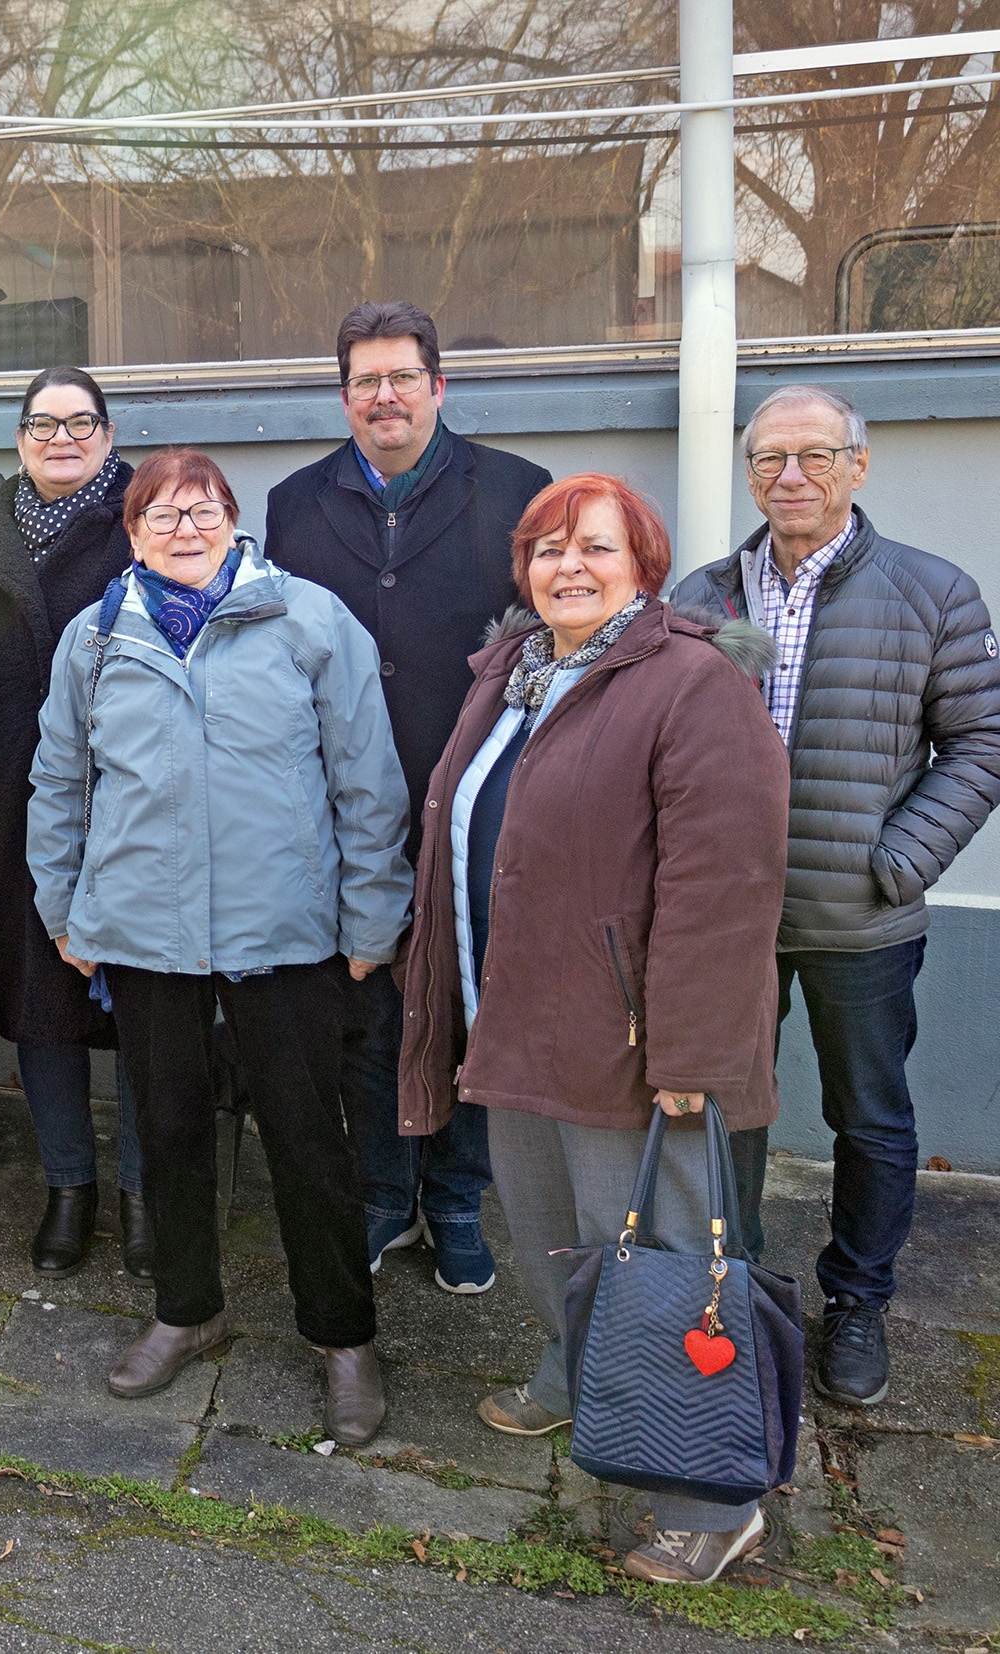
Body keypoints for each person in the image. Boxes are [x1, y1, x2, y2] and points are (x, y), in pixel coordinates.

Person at [400, 473, 789, 1584]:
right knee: (549, 1237)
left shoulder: (690, 683)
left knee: (663, 1264)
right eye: (546, 550)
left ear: (644, 565)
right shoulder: (514, 672)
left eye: (596, 548)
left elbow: (725, 884)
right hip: (516, 1022)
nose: (567, 567)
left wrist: (690, 1053)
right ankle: (579, 1374)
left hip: (631, 1048)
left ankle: (710, 1498)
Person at [29, 447, 409, 1445]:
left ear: (234, 521)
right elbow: (59, 780)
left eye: (201, 510)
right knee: (166, 1129)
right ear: (132, 533)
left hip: (280, 930)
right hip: (144, 930)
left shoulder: (307, 620)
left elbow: (367, 781)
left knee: (306, 1138)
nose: (184, 530)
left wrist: (372, 918)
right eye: (160, 515)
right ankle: (186, 1310)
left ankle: (342, 1335)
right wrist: (63, 907)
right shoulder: (95, 636)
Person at [672, 386, 1000, 1410]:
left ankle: (856, 1299)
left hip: (860, 915)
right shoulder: (703, 595)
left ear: (858, 464)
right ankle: (731, 1290)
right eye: (768, 458)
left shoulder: (931, 592)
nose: (790, 476)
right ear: (748, 473)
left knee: (869, 1116)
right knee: (724, 1108)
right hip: (728, 917)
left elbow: (979, 742)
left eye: (814, 455)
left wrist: (894, 861)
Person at [264, 299, 552, 1295]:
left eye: (401, 377)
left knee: (469, 1001)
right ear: (342, 394)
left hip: (472, 796)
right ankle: (383, 1192)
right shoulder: (295, 504)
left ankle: (458, 1199)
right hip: (345, 801)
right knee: (368, 1006)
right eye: (364, 381)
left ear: (437, 385)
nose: (382, 396)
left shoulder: (515, 491)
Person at [0, 366, 146, 1278]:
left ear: (107, 434)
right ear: (17, 439)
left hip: (134, 800)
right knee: (39, 1001)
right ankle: (69, 1186)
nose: (62, 440)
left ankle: (145, 1191)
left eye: (80, 423)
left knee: (145, 1007)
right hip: (11, 797)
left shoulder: (149, 516)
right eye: (43, 425)